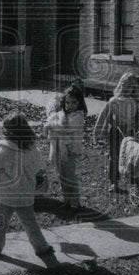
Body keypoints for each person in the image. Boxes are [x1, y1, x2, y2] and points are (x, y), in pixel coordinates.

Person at [0, 112, 58, 266]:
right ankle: (42, 248)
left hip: (4, 196)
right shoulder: (31, 149)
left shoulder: (3, 149)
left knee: (0, 224)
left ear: (8, 131)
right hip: (24, 196)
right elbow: (38, 168)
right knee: (31, 224)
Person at [93, 72, 139, 193]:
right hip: (116, 132)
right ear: (121, 85)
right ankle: (114, 182)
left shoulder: (136, 101)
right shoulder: (113, 101)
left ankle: (136, 183)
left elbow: (138, 118)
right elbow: (104, 116)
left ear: (134, 88)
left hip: (130, 132)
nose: (127, 88)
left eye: (131, 86)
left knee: (133, 156)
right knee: (114, 157)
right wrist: (97, 132)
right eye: (125, 85)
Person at [45, 81, 88, 210]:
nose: (70, 106)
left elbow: (64, 127)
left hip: (70, 150)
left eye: (74, 103)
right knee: (62, 175)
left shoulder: (78, 116)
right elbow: (53, 117)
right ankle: (67, 199)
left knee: (70, 175)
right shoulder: (63, 114)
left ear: (80, 102)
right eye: (67, 103)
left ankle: (75, 201)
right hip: (60, 148)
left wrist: (49, 125)